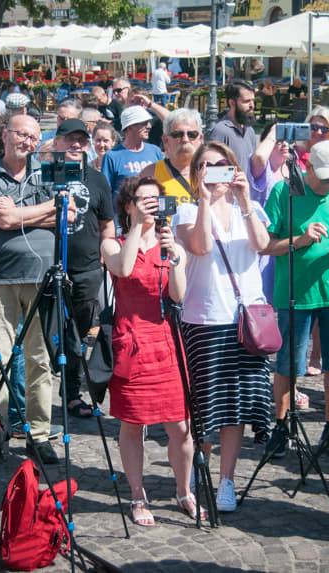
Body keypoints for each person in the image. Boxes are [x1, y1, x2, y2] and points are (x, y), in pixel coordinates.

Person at [175, 141, 271, 513]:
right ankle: (198, 469)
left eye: (222, 165)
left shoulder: (251, 208)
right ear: (196, 173)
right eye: (206, 166)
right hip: (205, 318)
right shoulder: (186, 210)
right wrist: (204, 199)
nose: (215, 173)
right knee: (203, 403)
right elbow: (199, 246)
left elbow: (262, 244)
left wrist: (245, 201)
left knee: (237, 406)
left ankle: (226, 480)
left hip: (247, 320)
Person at [100, 176, 197, 526]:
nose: (151, 206)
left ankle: (184, 491)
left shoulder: (171, 245)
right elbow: (124, 269)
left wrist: (175, 258)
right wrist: (137, 229)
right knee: (132, 424)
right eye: (143, 200)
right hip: (131, 342)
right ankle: (137, 494)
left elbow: (178, 296)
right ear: (128, 205)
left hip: (165, 342)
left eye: (156, 200)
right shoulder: (112, 244)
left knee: (181, 426)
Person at [0, 113, 63, 466]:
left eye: (34, 137)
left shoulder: (47, 172)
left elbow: (66, 214)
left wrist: (21, 212)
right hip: (0, 277)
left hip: (42, 277)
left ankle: (38, 434)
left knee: (40, 360)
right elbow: (2, 220)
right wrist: (47, 208)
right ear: (5, 136)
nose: (28, 142)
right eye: (22, 134)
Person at [262, 140, 329, 459]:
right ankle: (281, 425)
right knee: (289, 363)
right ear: (309, 168)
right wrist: (300, 240)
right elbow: (266, 245)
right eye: (326, 179)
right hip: (296, 294)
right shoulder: (284, 191)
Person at [49, 118, 116, 418]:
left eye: (81, 140)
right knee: (50, 333)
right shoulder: (43, 175)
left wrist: (105, 254)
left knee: (77, 335)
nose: (76, 145)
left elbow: (107, 223)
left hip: (87, 268)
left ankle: (72, 394)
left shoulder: (97, 179)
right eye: (69, 139)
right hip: (49, 266)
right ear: (57, 142)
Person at [139, 107, 203, 206]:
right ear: (165, 140)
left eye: (192, 134)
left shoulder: (211, 172)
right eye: (177, 134)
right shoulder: (150, 174)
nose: (185, 139)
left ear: (201, 139)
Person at [101, 106, 163, 201]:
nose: (149, 126)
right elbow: (105, 192)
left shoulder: (155, 151)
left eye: (148, 122)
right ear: (130, 126)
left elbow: (162, 183)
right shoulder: (112, 156)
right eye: (144, 123)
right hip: (123, 209)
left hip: (152, 208)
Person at [208, 79, 258, 176]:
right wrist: (234, 178)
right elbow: (211, 172)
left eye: (253, 101)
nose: (252, 105)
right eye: (246, 101)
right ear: (232, 103)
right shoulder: (220, 131)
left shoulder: (249, 130)